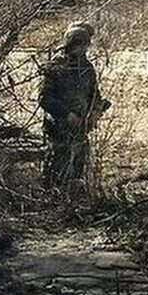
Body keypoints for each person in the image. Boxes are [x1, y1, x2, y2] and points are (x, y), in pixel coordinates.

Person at [39, 21, 111, 187]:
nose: (85, 49)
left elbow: (95, 95)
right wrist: (66, 114)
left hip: (80, 128)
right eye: (82, 45)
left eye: (86, 45)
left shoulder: (87, 68)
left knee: (78, 170)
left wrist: (94, 112)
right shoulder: (54, 67)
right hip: (58, 128)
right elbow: (44, 98)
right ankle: (52, 200)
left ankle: (74, 201)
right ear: (73, 44)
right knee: (55, 170)